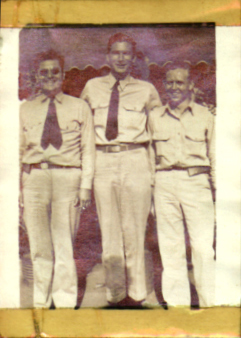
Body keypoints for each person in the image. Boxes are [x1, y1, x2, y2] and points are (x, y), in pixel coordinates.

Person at [81, 33, 162, 306]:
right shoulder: (92, 87)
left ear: (133, 57)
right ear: (107, 56)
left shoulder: (147, 90)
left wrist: (154, 175)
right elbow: (82, 130)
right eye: (116, 52)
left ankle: (138, 293)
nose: (121, 58)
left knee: (135, 229)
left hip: (135, 158)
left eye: (126, 53)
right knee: (110, 230)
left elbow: (158, 132)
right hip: (103, 159)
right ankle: (115, 293)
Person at [20, 49, 95, 308]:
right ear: (37, 77)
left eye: (55, 72)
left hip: (67, 178)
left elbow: (88, 149)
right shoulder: (26, 109)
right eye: (44, 72)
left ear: (62, 75)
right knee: (39, 244)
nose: (50, 76)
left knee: (64, 242)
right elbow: (17, 150)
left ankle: (63, 302)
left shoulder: (79, 106)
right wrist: (20, 188)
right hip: (35, 177)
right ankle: (41, 301)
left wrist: (85, 186)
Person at [149, 61, 216, 308]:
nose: (174, 87)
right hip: (164, 182)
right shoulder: (154, 116)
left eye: (180, 82)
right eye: (170, 82)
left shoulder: (205, 116)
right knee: (170, 248)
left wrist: (217, 190)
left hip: (196, 182)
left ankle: (210, 305)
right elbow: (149, 156)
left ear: (190, 85)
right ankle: (178, 308)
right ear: (164, 85)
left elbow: (215, 154)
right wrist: (152, 192)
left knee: (202, 248)